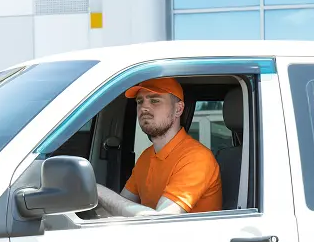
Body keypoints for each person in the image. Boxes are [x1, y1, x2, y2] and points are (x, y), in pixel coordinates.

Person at [94, 77, 222, 217]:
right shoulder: (146, 156)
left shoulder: (197, 158)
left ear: (178, 109)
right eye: (139, 101)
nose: (144, 108)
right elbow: (119, 207)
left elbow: (161, 220)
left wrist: (98, 191)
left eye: (155, 101)